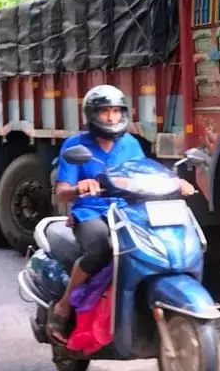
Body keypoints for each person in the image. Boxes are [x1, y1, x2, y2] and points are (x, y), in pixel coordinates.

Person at [47, 84, 196, 343]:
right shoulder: (76, 145)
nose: (112, 118)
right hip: (91, 212)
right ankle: (63, 306)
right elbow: (61, 192)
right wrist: (79, 188)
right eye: (106, 112)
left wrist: (175, 181)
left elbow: (145, 170)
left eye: (116, 111)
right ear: (92, 115)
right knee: (100, 249)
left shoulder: (130, 144)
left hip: (127, 211)